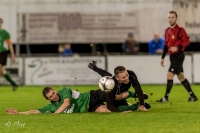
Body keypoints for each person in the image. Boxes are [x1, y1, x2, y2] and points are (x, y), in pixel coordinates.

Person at [6, 86, 149, 114]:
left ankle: (137, 95)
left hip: (93, 96)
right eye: (50, 97)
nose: (54, 96)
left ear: (55, 91)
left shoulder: (64, 90)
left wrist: (56, 115)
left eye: (53, 93)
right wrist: (20, 113)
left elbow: (67, 103)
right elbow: (36, 111)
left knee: (119, 96)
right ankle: (137, 106)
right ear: (48, 99)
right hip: (92, 107)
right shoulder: (51, 107)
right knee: (108, 110)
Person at [156, 10, 198, 102]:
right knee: (181, 77)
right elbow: (166, 45)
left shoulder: (180, 29)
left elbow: (187, 41)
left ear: (176, 18)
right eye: (169, 17)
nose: (170, 19)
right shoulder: (167, 30)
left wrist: (178, 47)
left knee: (169, 75)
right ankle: (193, 96)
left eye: (172, 17)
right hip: (172, 57)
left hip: (179, 55)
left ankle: (165, 98)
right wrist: (162, 57)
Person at [0, 18, 18, 91]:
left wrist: (13, 56)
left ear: (1, 23)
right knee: (2, 72)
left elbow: (10, 44)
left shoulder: (5, 33)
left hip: (3, 52)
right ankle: (14, 84)